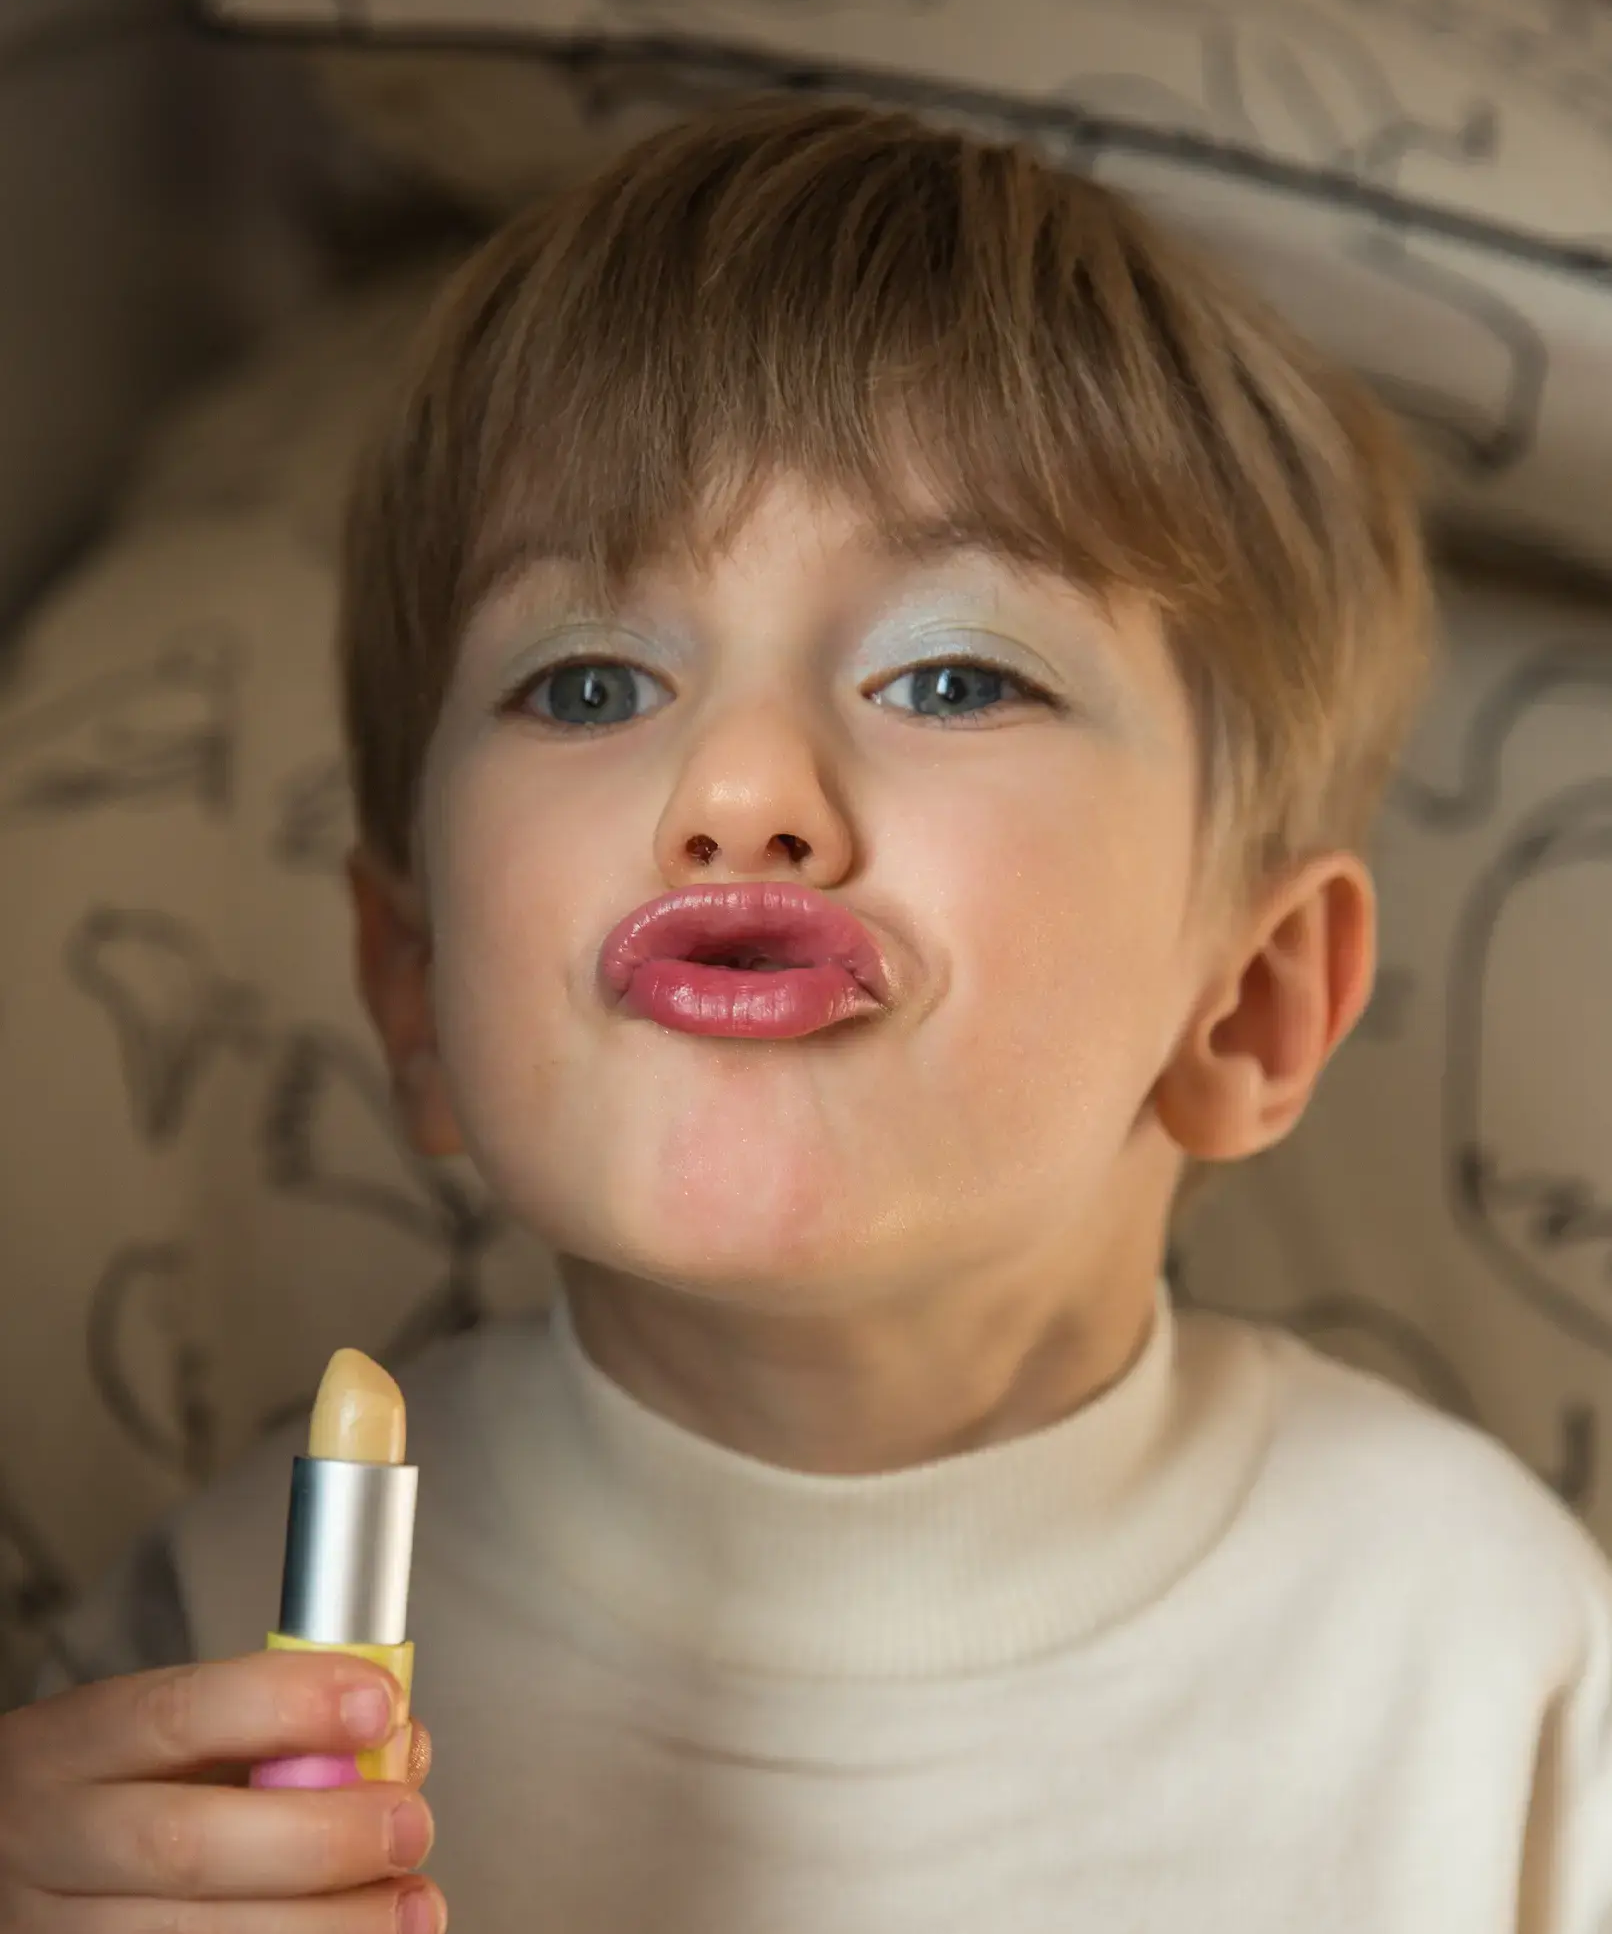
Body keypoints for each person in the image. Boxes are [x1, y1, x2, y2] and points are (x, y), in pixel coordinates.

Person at [2, 94, 1608, 1934]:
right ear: (415, 984)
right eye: (592, 679)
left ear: (1248, 1001)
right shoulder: (214, 1658)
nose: (741, 785)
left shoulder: (1486, 1663)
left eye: (948, 671)